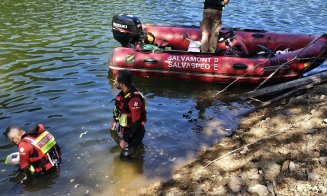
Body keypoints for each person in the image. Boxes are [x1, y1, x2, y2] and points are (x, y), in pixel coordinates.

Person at [110, 70, 147, 159]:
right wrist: (115, 120)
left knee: (123, 158)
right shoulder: (122, 95)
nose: (114, 82)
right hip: (127, 130)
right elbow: (119, 109)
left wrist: (125, 139)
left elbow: (136, 123)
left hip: (136, 132)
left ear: (122, 83)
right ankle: (138, 149)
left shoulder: (134, 100)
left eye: (115, 80)